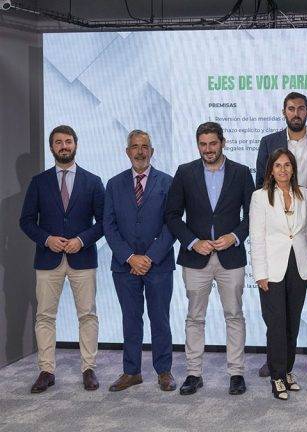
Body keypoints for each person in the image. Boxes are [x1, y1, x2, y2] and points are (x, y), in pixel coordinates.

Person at [165, 121, 255, 396]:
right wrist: (193, 242)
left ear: (223, 143)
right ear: (198, 145)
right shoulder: (185, 172)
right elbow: (172, 215)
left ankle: (236, 374)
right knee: (195, 317)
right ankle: (194, 374)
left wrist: (234, 237)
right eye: (203, 144)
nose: (208, 149)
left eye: (213, 143)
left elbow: (252, 215)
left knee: (234, 315)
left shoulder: (241, 172)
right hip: (196, 258)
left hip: (231, 257)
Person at [20, 125, 104, 393]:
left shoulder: (93, 181)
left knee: (87, 315)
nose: (64, 146)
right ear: (52, 147)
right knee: (45, 316)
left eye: (68, 141)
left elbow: (104, 222)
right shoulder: (39, 182)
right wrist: (47, 239)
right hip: (48, 258)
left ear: (76, 144)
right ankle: (46, 371)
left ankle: (88, 368)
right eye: (58, 142)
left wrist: (81, 240)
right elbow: (26, 221)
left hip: (83, 257)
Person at [255, 92, 307, 376]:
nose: (296, 113)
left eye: (301, 108)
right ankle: (275, 356)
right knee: (276, 307)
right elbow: (261, 183)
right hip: (279, 226)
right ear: (284, 112)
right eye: (291, 108)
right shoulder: (269, 142)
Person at [103, 130, 176, 392]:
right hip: (125, 266)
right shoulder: (114, 184)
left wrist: (150, 257)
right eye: (134, 146)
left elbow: (172, 224)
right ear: (127, 152)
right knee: (130, 319)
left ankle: (164, 371)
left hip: (159, 265)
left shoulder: (167, 182)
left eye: (144, 146)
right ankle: (131, 372)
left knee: (160, 319)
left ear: (152, 151)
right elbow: (109, 226)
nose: (140, 151)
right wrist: (130, 257)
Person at [250, 148, 307, 400]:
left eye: (287, 165)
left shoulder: (305, 194)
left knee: (292, 322)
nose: (282, 169)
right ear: (270, 170)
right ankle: (277, 376)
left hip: (299, 266)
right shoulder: (260, 197)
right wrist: (260, 273)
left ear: (293, 168)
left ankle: (288, 371)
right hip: (272, 269)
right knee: (276, 324)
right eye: (277, 165)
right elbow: (257, 237)